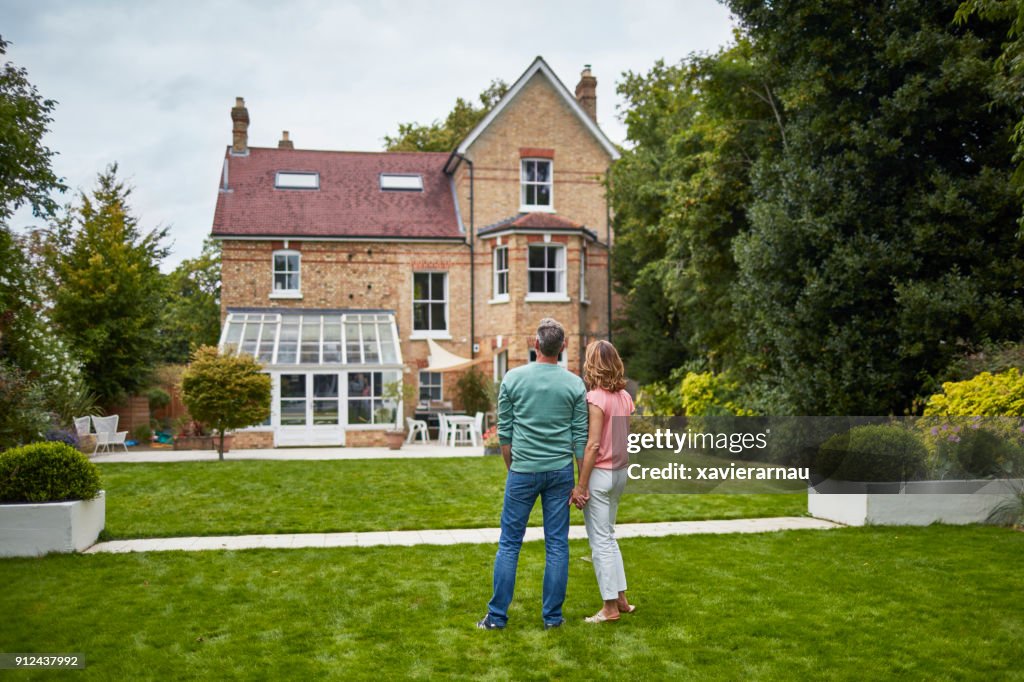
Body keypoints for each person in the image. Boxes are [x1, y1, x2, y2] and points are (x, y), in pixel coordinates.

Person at [477, 318, 588, 630]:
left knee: (510, 543)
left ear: (535, 345)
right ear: (562, 347)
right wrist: (581, 483)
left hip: (523, 471)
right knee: (557, 545)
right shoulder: (574, 384)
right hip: (560, 472)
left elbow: (505, 434)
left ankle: (496, 618)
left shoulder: (513, 379)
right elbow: (581, 438)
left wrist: (513, 468)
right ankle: (553, 619)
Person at [571, 339, 636, 623]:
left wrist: (580, 486)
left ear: (593, 364)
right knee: (609, 536)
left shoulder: (595, 398)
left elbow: (593, 445)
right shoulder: (624, 397)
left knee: (600, 542)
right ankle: (621, 599)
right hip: (620, 473)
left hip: (600, 475)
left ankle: (609, 608)